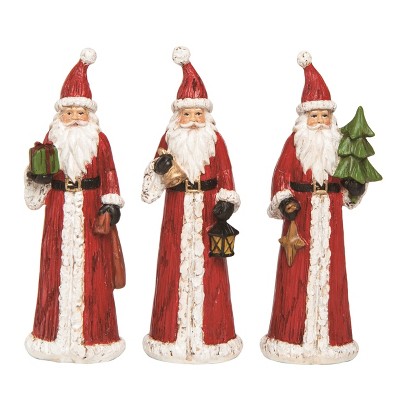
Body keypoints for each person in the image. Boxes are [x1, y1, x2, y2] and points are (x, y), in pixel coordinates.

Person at [260, 51, 365, 364]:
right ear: (304, 119)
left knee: (332, 272)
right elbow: (281, 176)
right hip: (301, 215)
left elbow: (348, 177)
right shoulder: (294, 144)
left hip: (331, 214)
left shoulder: (339, 146)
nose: (320, 122)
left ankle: (333, 337)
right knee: (296, 274)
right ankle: (289, 335)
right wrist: (285, 200)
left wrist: (355, 189)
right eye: (314, 116)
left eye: (324, 116)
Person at [141, 46, 242, 363]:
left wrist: (227, 202)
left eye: (199, 114)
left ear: (207, 116)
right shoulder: (169, 139)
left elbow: (226, 174)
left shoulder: (216, 141)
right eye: (188, 114)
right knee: (173, 266)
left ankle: (213, 335)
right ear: (178, 117)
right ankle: (169, 333)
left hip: (209, 209)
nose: (194, 120)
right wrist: (159, 170)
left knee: (212, 270)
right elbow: (152, 181)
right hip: (177, 207)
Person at [24, 48, 125, 363]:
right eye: (69, 113)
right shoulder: (51, 138)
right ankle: (51, 334)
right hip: (58, 207)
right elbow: (39, 170)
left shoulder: (100, 140)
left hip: (91, 209)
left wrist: (111, 205)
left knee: (94, 269)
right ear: (60, 116)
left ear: (89, 115)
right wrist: (35, 174)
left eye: (81, 112)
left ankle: (96, 336)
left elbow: (109, 172)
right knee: (54, 266)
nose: (75, 118)